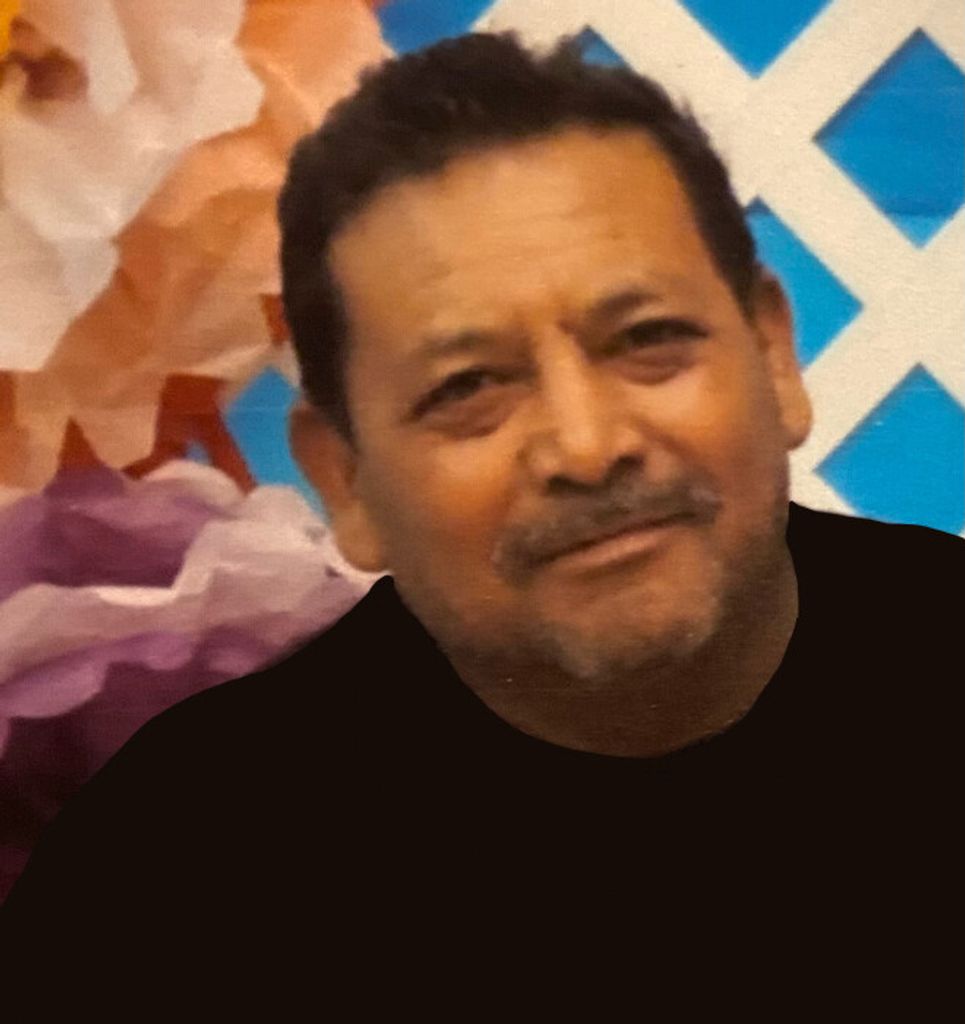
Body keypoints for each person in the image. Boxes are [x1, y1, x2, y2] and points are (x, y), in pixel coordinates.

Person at [1, 31, 961, 1008]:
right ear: (345, 480)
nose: (585, 446)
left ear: (773, 356)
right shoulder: (167, 886)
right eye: (467, 388)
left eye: (646, 339)